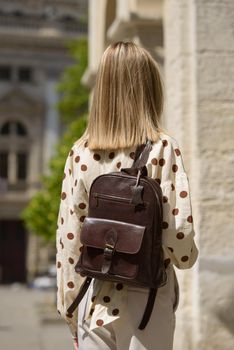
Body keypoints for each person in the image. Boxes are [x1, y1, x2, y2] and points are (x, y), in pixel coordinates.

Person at [56, 41, 199, 350]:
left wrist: (69, 307)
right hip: (146, 296)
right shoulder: (163, 149)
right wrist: (186, 258)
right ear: (149, 89)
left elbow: (69, 240)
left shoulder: (80, 153)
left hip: (91, 296)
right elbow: (180, 241)